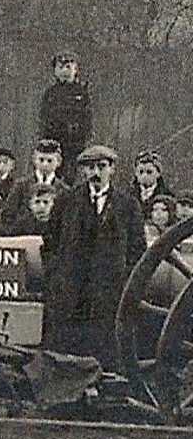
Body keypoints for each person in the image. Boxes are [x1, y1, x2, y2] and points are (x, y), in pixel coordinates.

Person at [44, 145, 144, 369]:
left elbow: (138, 249)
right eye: (90, 168)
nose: (96, 173)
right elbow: (50, 243)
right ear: (83, 171)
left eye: (101, 167)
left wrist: (123, 279)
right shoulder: (66, 202)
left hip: (109, 291)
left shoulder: (127, 205)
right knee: (71, 348)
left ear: (112, 169)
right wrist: (56, 275)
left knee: (106, 346)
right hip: (73, 290)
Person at [40, 51, 93, 184]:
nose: (64, 70)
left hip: (75, 146)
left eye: (68, 67)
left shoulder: (82, 93)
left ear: (76, 70)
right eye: (60, 67)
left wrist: (81, 140)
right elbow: (44, 119)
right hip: (55, 144)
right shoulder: (51, 93)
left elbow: (87, 121)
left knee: (73, 178)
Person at [6, 139, 69, 223]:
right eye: (41, 160)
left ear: (58, 162)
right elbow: (9, 214)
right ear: (34, 160)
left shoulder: (63, 190)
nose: (45, 164)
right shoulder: (21, 186)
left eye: (50, 160)